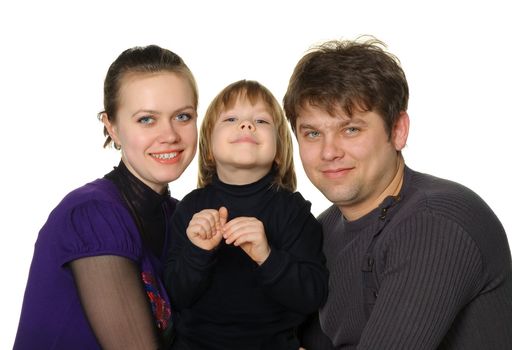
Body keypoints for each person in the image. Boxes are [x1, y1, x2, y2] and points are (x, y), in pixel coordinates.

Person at [283, 37, 512, 349]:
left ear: (398, 130)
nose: (329, 152)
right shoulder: (322, 230)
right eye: (313, 133)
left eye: (351, 129)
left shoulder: (437, 221)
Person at [14, 45, 199, 350]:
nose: (170, 135)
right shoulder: (92, 215)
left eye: (182, 116)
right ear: (111, 127)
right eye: (146, 120)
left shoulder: (180, 217)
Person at [164, 79, 328, 350]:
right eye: (230, 119)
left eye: (261, 121)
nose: (246, 125)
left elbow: (312, 296)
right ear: (208, 150)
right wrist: (197, 252)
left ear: (279, 151)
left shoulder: (294, 211)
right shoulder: (190, 209)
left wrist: (267, 256)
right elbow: (175, 296)